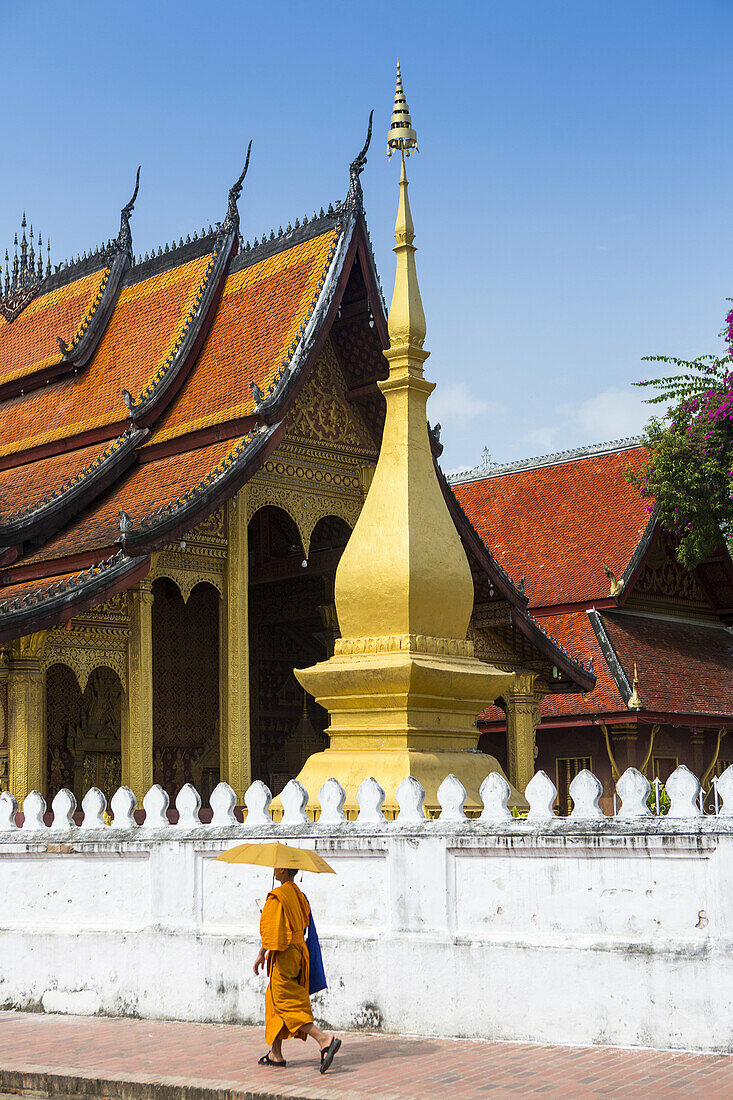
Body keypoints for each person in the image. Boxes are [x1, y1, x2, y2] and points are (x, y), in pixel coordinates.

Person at [253, 866, 341, 1073]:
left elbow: (273, 933)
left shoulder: (277, 897)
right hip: (299, 953)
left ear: (283, 870)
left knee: (286, 1002)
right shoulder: (299, 896)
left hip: (283, 954)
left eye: (276, 867)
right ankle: (276, 1054)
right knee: (273, 999)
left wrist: (261, 953)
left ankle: (323, 1039)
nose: (274, 870)